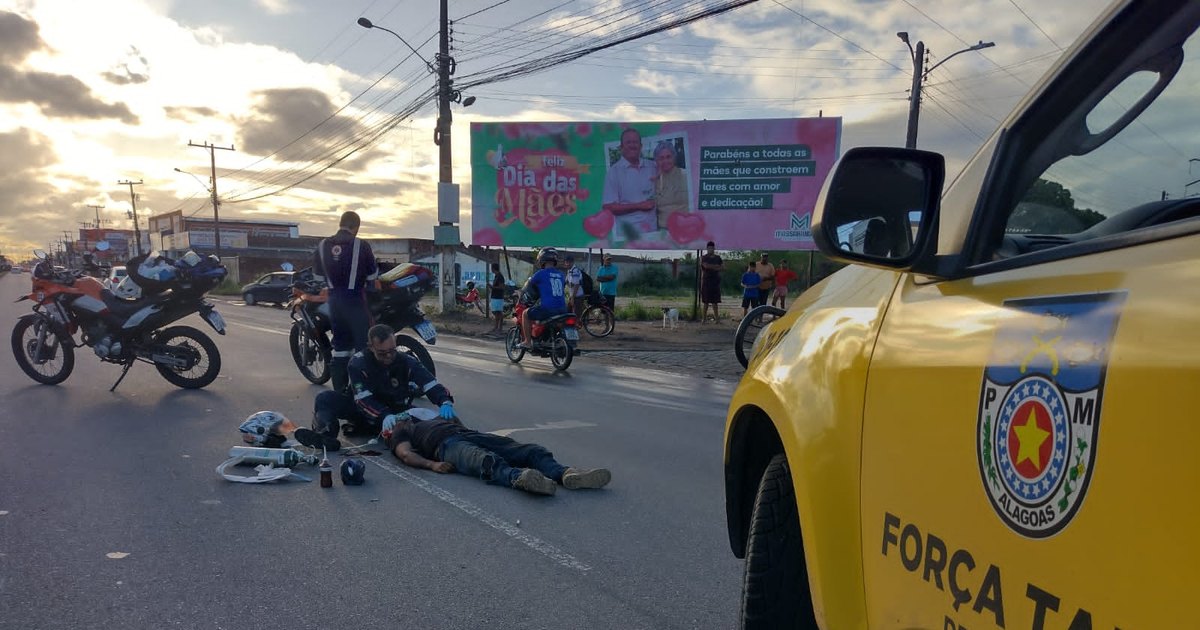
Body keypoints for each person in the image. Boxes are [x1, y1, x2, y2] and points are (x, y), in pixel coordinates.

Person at [303, 324, 454, 450]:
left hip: (396, 412)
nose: (388, 356)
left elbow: (429, 382)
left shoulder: (406, 361)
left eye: (392, 351)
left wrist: (444, 401)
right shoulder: (358, 363)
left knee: (433, 421)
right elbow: (363, 399)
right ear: (371, 347)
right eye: (382, 353)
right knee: (324, 399)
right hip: (363, 411)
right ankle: (325, 435)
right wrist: (383, 415)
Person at [385, 416, 612, 496]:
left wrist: (458, 422)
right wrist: (431, 465)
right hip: (447, 446)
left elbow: (457, 421)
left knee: (530, 450)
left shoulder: (428, 417)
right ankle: (522, 479)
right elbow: (405, 454)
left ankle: (564, 474)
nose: (404, 415)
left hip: (469, 435)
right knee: (486, 461)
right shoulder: (401, 429)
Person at [313, 211, 378, 393]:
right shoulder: (361, 245)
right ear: (356, 227)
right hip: (356, 301)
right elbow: (373, 276)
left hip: (334, 302)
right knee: (362, 348)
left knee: (340, 348)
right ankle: (363, 392)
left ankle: (340, 392)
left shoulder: (323, 245)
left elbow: (318, 276)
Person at [601, 128, 657, 245]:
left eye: (635, 142)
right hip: (627, 239)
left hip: (654, 235)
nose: (632, 145)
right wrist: (639, 206)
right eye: (628, 142)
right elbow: (609, 207)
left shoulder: (653, 167)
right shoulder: (614, 172)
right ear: (621, 147)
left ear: (641, 146)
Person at [519, 247, 568, 349]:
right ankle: (547, 339)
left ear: (541, 259)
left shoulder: (540, 274)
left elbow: (528, 286)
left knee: (525, 314)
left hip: (548, 309)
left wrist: (519, 292)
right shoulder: (561, 274)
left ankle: (527, 341)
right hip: (563, 309)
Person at [650, 140, 689, 231]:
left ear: (674, 158)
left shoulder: (686, 175)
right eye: (661, 158)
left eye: (668, 157)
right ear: (656, 161)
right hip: (664, 230)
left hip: (686, 227)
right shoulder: (654, 181)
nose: (665, 161)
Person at [700, 241, 723, 323]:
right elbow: (705, 265)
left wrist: (711, 267)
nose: (710, 249)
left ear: (714, 248)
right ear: (707, 248)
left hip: (715, 282)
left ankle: (717, 319)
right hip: (706, 282)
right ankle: (704, 319)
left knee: (715, 302)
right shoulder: (704, 257)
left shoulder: (718, 258)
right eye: (709, 248)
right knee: (705, 302)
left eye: (712, 248)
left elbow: (722, 268)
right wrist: (715, 266)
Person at [563, 254, 585, 318]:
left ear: (572, 262)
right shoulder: (569, 271)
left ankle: (577, 327)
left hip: (577, 296)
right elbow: (566, 282)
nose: (567, 264)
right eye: (566, 262)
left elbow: (576, 285)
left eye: (569, 262)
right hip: (572, 296)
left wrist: (572, 298)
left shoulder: (575, 271)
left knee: (576, 316)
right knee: (567, 313)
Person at [488, 262, 506, 333]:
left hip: (498, 297)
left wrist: (492, 287)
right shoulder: (496, 276)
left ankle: (499, 327)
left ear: (493, 268)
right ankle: (497, 327)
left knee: (498, 312)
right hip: (495, 296)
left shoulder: (500, 276)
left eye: (491, 268)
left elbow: (502, 287)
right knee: (495, 311)